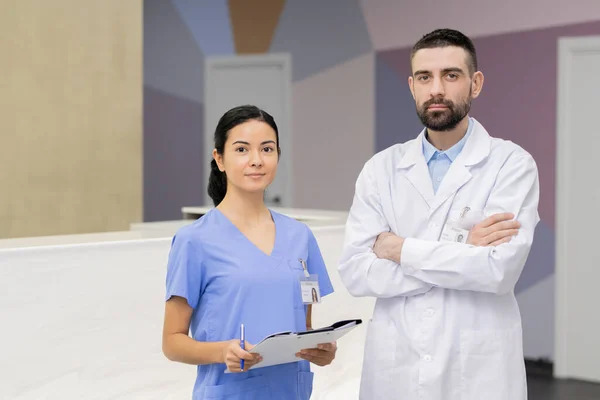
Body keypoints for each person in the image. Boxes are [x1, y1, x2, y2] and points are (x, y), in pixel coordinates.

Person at [338, 29, 539, 400]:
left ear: (475, 83)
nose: (437, 89)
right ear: (412, 85)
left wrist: (399, 250)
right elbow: (356, 272)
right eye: (425, 78)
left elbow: (497, 271)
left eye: (451, 75)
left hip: (478, 370)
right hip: (397, 364)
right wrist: (462, 250)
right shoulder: (381, 169)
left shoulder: (511, 164)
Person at [162, 105, 337, 399]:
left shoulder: (300, 237)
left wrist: (320, 349)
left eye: (267, 149)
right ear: (219, 159)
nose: (256, 160)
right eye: (242, 150)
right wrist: (222, 352)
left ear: (278, 155)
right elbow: (172, 342)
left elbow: (304, 325)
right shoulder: (194, 241)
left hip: (290, 390)